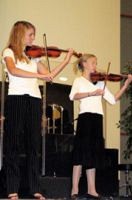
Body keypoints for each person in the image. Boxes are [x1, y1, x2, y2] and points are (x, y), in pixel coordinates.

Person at [2, 20, 74, 200]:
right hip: (17, 99)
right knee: (13, 145)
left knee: (34, 146)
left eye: (34, 34)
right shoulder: (9, 52)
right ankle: (12, 189)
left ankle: (35, 189)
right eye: (30, 34)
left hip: (34, 100)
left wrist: (65, 60)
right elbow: (14, 70)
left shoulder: (34, 56)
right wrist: (38, 75)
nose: (33, 38)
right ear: (20, 34)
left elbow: (49, 76)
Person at [69, 54, 132, 199]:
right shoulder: (79, 80)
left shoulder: (99, 82)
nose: (95, 66)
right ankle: (74, 189)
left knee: (93, 155)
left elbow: (113, 100)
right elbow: (73, 96)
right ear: (84, 64)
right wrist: (91, 93)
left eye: (96, 63)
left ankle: (92, 189)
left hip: (97, 118)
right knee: (80, 154)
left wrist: (126, 84)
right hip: (85, 118)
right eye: (93, 63)